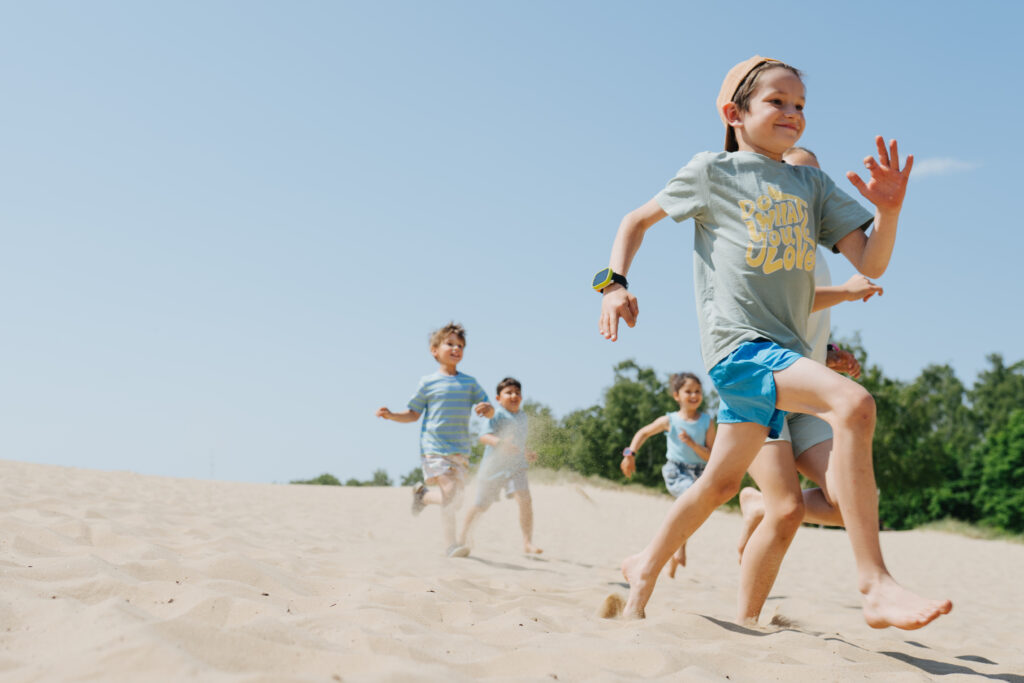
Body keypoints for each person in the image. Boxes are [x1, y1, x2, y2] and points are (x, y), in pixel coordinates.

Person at [596, 56, 951, 629]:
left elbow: (871, 260)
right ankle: (875, 584)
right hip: (741, 349)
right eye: (777, 103)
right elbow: (633, 221)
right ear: (733, 113)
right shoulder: (713, 171)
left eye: (801, 106)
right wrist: (612, 285)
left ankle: (647, 566)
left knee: (723, 485)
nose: (793, 114)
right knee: (854, 404)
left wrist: (889, 212)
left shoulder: (810, 184)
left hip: (785, 357)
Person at [733, 146, 886, 624]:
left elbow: (800, 319)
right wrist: (845, 290)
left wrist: (829, 353)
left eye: (815, 177)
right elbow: (781, 304)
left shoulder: (818, 248)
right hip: (767, 388)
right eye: (798, 173)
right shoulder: (768, 233)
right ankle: (746, 623)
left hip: (807, 393)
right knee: (788, 511)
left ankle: (755, 504)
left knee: (855, 504)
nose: (808, 184)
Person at [376, 322, 494, 558]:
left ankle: (423, 496)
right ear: (434, 350)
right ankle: (451, 545)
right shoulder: (428, 382)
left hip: (460, 450)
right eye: (449, 344)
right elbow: (413, 414)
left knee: (455, 500)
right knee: (451, 495)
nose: (455, 349)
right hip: (434, 449)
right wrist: (391, 415)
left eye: (460, 345)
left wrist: (487, 409)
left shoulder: (470, 383)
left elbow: (488, 409)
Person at [620, 372, 716, 576]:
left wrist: (692, 444)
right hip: (676, 470)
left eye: (697, 391)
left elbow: (711, 455)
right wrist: (630, 454)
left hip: (700, 472)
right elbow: (643, 432)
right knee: (688, 498)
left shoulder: (707, 422)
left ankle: (674, 553)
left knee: (693, 513)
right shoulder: (670, 420)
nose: (693, 395)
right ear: (676, 396)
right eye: (688, 391)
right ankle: (679, 549)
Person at [458, 377, 542, 555]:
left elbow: (519, 441)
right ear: (498, 398)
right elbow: (484, 437)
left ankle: (527, 542)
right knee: (481, 505)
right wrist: (501, 443)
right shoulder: (496, 414)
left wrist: (527, 452)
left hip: (517, 467)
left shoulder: (522, 416)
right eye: (508, 392)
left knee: (525, 501)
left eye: (517, 393)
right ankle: (462, 538)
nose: (514, 395)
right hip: (493, 469)